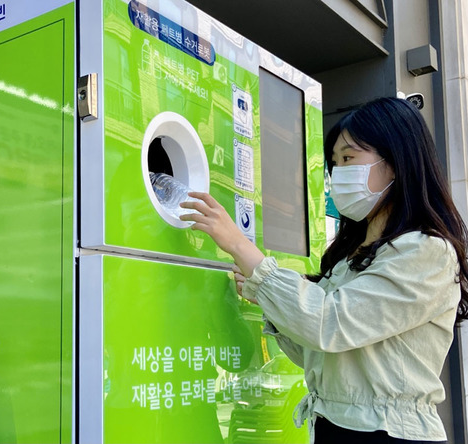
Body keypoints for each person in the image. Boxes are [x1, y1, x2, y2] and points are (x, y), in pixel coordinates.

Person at [179, 97, 468, 444]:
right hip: (336, 424)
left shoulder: (426, 251)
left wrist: (242, 248)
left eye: (348, 158)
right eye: (334, 163)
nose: (337, 174)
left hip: (387, 432)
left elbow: (330, 324)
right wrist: (266, 296)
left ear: (396, 162)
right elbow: (318, 350)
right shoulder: (352, 256)